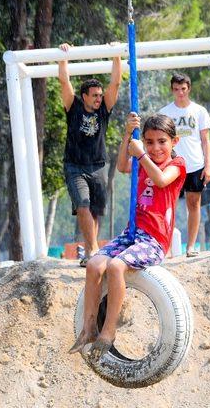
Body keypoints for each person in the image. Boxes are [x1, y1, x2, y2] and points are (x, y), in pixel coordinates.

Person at [68, 113, 186, 359]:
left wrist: (141, 154)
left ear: (174, 142)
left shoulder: (177, 165)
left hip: (153, 239)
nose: (155, 148)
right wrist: (127, 136)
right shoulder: (142, 162)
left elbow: (161, 180)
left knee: (116, 266)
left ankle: (109, 331)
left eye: (162, 142)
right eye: (150, 142)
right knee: (94, 264)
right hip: (132, 232)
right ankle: (89, 327)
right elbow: (122, 166)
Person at [58, 43, 122, 267]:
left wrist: (115, 55)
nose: (98, 98)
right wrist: (63, 56)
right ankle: (93, 249)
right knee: (83, 205)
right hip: (75, 166)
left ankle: (90, 252)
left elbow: (115, 82)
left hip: (98, 166)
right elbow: (64, 81)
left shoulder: (104, 109)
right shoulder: (73, 107)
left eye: (99, 95)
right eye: (94, 95)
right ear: (84, 96)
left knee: (94, 211)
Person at [159, 73, 210, 257]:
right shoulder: (165, 112)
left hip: (195, 165)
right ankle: (164, 247)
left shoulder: (199, 111)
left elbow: (206, 141)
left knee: (194, 204)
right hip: (173, 165)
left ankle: (190, 246)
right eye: (176, 89)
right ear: (172, 90)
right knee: (168, 206)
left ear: (188, 88)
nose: (180, 93)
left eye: (183, 89)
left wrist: (208, 166)